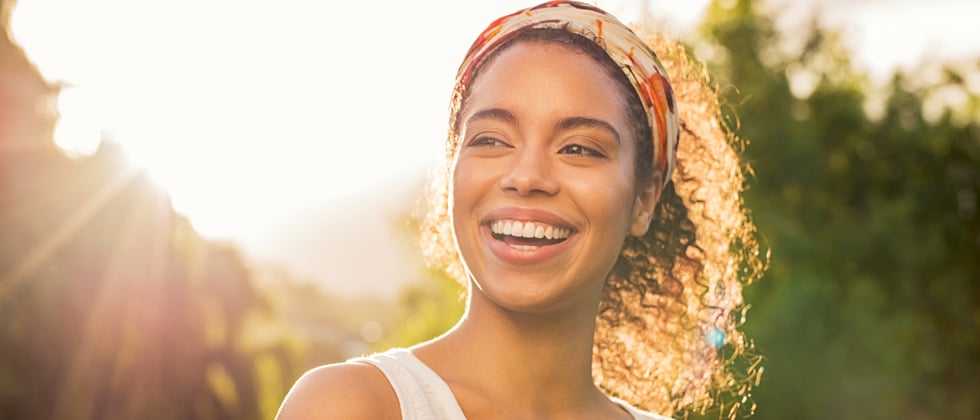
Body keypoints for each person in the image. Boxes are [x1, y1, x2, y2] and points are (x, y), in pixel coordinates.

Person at [277, 1, 764, 418]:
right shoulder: (354, 406)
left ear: (644, 199)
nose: (527, 176)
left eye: (579, 148)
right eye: (491, 140)